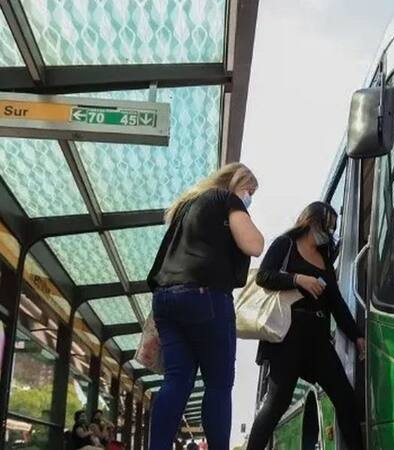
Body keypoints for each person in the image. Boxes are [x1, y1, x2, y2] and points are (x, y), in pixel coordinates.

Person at [147, 163, 265, 450]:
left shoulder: (186, 207)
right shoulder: (226, 199)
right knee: (219, 384)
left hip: (166, 300)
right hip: (205, 297)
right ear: (238, 183)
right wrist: (241, 208)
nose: (250, 197)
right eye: (250, 190)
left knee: (177, 380)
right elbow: (254, 245)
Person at [247, 202, 365, 450]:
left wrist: (357, 335)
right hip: (287, 334)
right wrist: (297, 279)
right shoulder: (285, 244)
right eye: (327, 225)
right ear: (312, 221)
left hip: (318, 338)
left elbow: (336, 302)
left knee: (345, 399)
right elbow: (263, 276)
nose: (330, 231)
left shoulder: (324, 258)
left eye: (333, 227)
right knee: (277, 403)